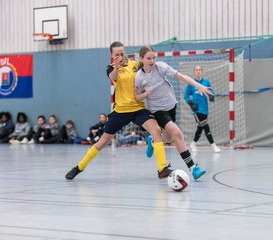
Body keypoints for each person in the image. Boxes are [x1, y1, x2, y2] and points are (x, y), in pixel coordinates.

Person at [65, 41, 173, 180]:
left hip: (138, 109)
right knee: (102, 141)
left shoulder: (134, 64)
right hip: (121, 111)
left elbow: (147, 68)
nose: (120, 56)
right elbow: (113, 77)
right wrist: (117, 66)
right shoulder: (110, 68)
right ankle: (79, 167)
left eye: (122, 53)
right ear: (112, 55)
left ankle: (162, 168)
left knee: (157, 130)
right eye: (117, 54)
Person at [134, 46, 213, 180]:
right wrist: (145, 94)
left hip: (171, 106)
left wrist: (198, 85)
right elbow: (137, 97)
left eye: (154, 57)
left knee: (169, 139)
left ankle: (153, 141)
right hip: (158, 111)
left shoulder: (161, 67)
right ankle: (193, 168)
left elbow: (181, 76)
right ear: (141, 58)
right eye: (149, 58)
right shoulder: (139, 77)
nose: (152, 60)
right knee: (177, 134)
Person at [185, 65, 221, 153]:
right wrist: (191, 103)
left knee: (200, 127)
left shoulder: (206, 82)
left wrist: (212, 96)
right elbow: (186, 95)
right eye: (196, 70)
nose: (198, 71)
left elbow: (211, 92)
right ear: (194, 72)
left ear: (202, 72)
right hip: (196, 110)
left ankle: (193, 143)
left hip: (205, 109)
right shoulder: (191, 83)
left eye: (199, 70)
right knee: (206, 126)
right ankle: (213, 145)